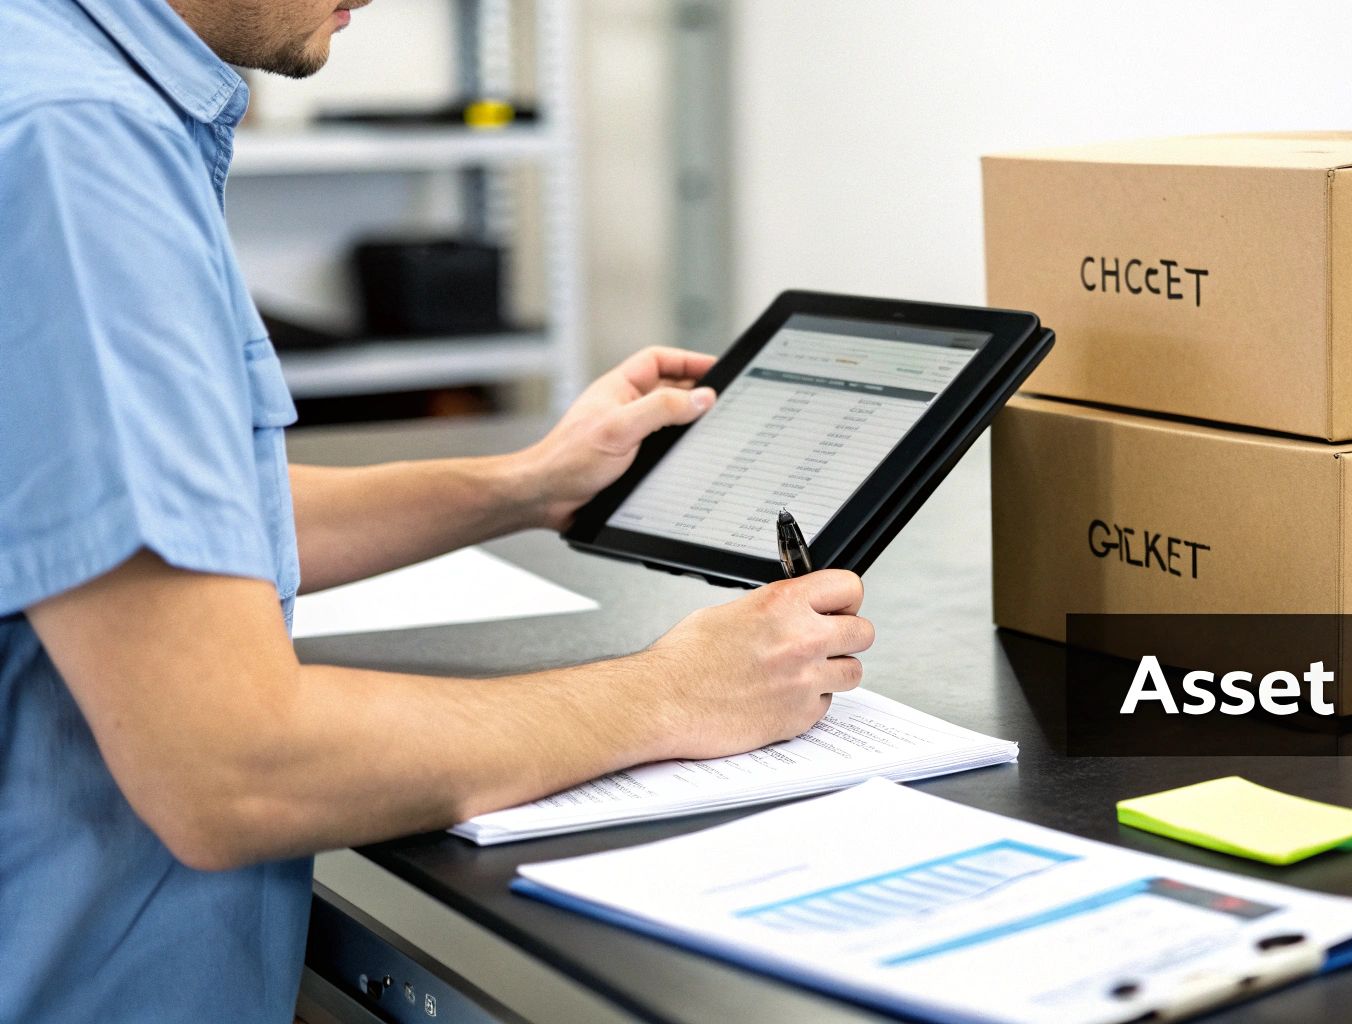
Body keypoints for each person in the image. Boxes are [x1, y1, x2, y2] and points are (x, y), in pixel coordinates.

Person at [0, 0, 873, 1020]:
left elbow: (142, 511)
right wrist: (671, 692)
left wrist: (529, 483)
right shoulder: (74, 145)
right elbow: (233, 765)